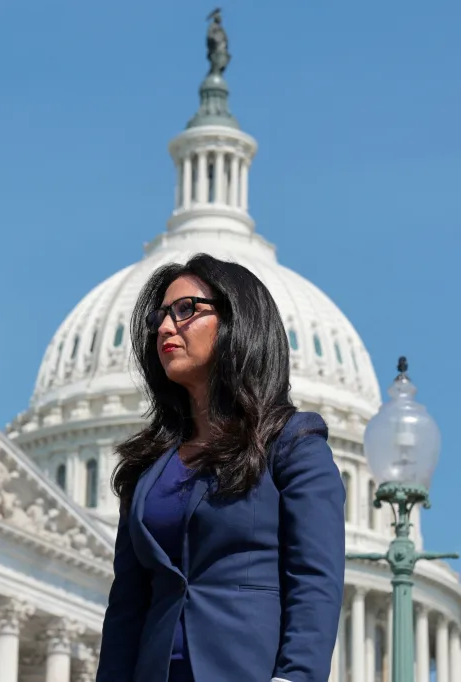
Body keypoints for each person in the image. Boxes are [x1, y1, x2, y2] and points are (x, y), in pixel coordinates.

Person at [95, 253, 344, 682]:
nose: (166, 327)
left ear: (236, 322)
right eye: (160, 317)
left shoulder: (291, 442)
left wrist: (296, 676)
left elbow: (315, 578)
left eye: (186, 310)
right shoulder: (148, 465)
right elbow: (127, 605)